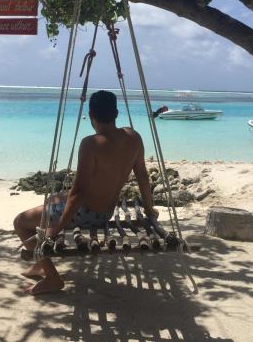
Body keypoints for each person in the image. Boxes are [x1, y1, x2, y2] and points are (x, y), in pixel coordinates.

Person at [13, 90, 158, 294]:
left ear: (91, 115)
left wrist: (56, 229)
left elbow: (79, 193)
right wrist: (150, 209)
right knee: (53, 200)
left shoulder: (91, 144)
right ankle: (39, 266)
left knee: (20, 222)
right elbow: (143, 177)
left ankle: (52, 278)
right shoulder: (133, 138)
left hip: (88, 212)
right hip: (105, 211)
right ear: (116, 113)